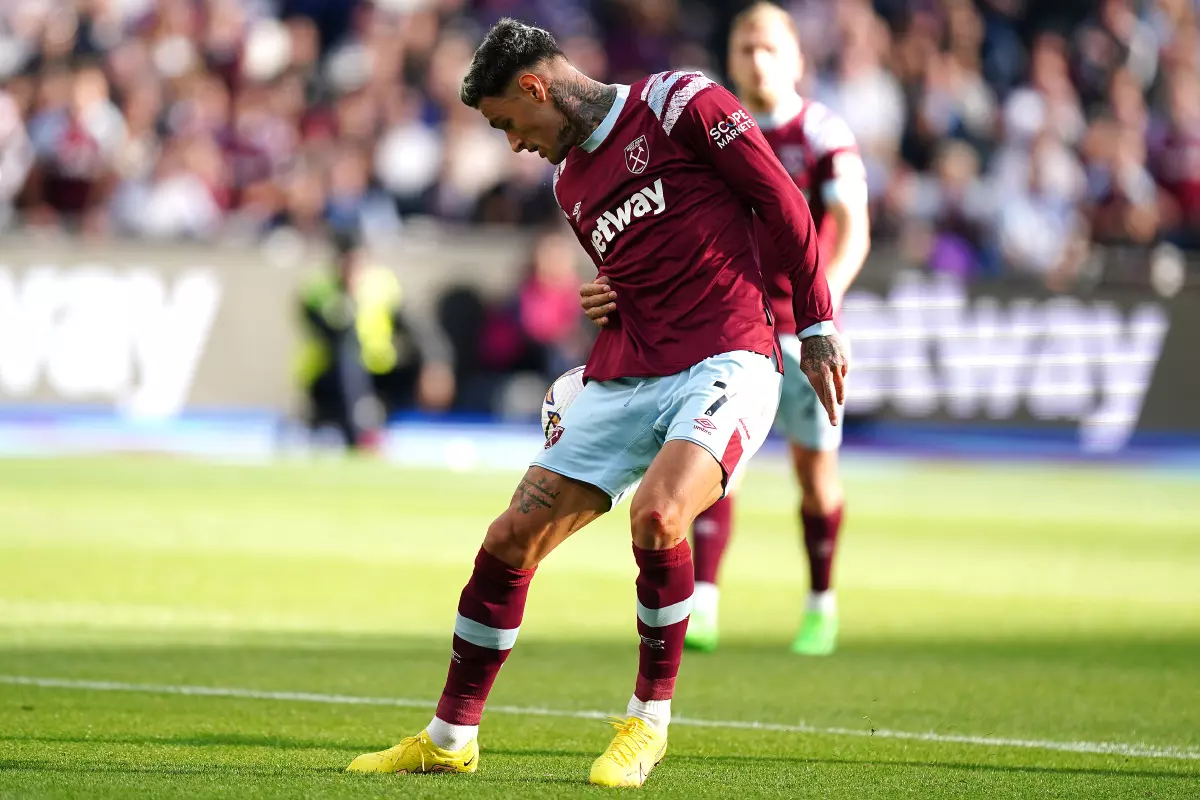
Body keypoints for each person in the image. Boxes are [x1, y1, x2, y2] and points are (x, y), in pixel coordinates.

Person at [346, 17, 847, 788]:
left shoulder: (681, 99)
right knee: (510, 537)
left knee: (659, 515)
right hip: (629, 373)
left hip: (730, 358)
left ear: (536, 87)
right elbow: (644, 264)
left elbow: (779, 198)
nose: (514, 143)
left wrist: (815, 322)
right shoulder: (569, 182)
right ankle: (448, 739)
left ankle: (647, 725)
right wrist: (608, 297)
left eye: (509, 123)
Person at [582, 2, 871, 656]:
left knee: (814, 472)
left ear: (796, 58)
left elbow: (852, 228)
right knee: (718, 465)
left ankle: (820, 603)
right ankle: (705, 602)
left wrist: (823, 304)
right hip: (735, 329)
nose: (756, 59)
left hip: (804, 330)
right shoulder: (708, 129)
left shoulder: (824, 132)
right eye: (745, 47)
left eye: (769, 47)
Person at [296, 231, 453, 450]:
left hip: (379, 373)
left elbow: (417, 327)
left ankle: (420, 424)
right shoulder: (319, 291)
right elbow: (335, 337)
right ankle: (360, 431)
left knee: (418, 363)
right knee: (348, 357)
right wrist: (348, 298)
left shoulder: (383, 285)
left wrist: (436, 363)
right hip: (329, 377)